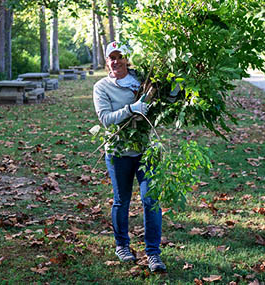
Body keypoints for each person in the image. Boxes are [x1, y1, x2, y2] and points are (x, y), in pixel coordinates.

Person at [93, 41, 166, 272]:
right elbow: (105, 118)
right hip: (119, 151)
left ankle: (153, 253)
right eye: (111, 57)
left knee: (151, 200)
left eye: (119, 56)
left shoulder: (144, 79)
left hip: (146, 150)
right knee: (121, 200)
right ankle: (122, 245)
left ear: (127, 59)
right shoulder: (102, 86)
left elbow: (167, 99)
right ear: (107, 61)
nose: (116, 61)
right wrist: (131, 109)